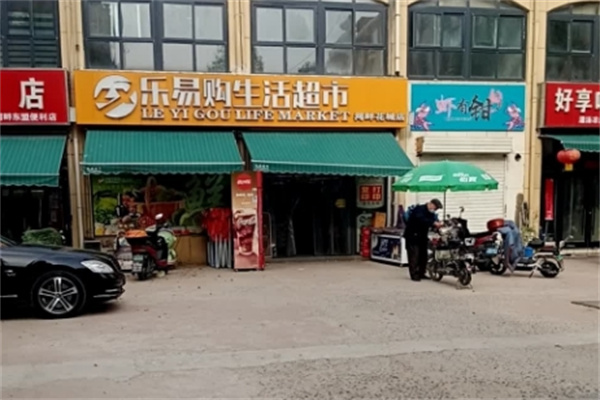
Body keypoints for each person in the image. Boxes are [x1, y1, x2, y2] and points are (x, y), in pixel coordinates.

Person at [403, 199, 443, 281]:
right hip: (413, 235)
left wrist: (438, 224)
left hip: (422, 236)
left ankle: (421, 273)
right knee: (414, 255)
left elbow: (433, 220)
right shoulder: (419, 209)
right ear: (431, 204)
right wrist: (433, 223)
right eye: (435, 208)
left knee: (423, 255)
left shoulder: (430, 213)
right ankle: (414, 274)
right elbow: (421, 219)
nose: (435, 210)